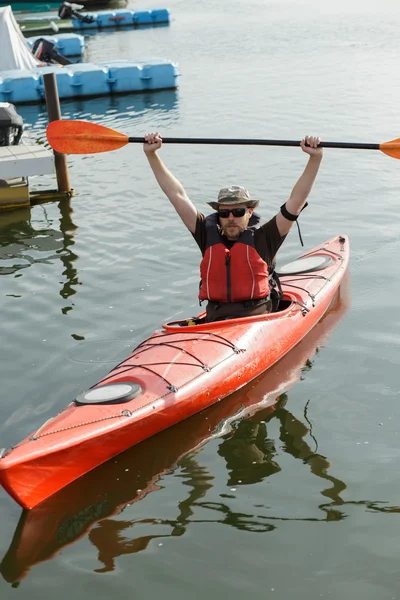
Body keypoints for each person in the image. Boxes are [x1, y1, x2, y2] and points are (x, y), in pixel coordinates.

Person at [143, 133, 323, 322]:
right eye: (224, 213)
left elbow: (296, 200)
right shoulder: (206, 233)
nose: (230, 218)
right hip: (215, 319)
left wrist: (315, 158)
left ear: (250, 212)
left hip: (256, 320)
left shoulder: (266, 237)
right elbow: (176, 195)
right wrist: (152, 155)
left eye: (238, 212)